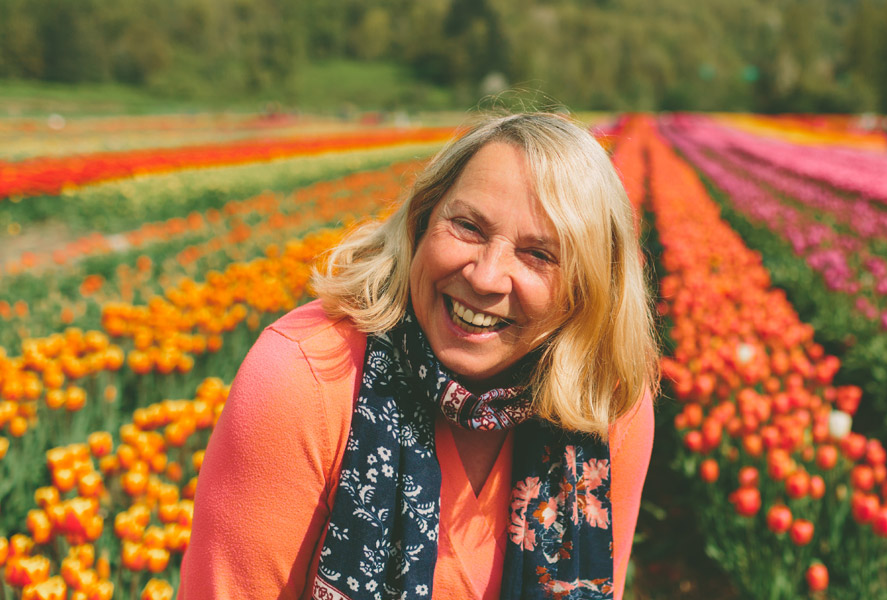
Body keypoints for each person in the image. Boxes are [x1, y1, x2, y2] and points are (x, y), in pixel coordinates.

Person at [179, 113, 660, 600]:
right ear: (422, 220)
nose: (486, 277)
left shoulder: (605, 403)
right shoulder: (307, 378)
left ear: (588, 289)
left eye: (538, 254)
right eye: (468, 226)